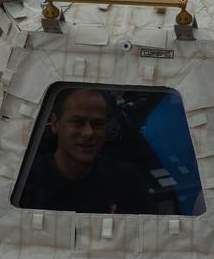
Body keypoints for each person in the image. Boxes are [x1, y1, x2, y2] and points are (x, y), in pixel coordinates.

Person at [19, 88, 153, 214]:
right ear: (55, 124)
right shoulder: (24, 182)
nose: (88, 133)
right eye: (77, 122)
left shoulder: (127, 181)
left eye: (97, 124)